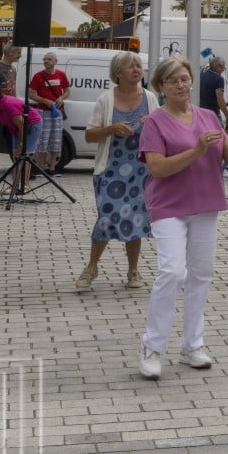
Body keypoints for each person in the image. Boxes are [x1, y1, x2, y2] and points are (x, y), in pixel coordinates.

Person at [136, 56, 228, 379]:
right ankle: (152, 346)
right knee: (171, 271)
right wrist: (195, 151)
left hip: (206, 203)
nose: (181, 85)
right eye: (173, 81)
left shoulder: (208, 116)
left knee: (201, 274)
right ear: (161, 87)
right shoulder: (155, 122)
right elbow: (157, 167)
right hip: (168, 206)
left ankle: (192, 345)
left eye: (184, 78)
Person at [79, 51, 152, 292]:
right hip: (110, 170)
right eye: (130, 66)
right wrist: (111, 128)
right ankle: (91, 267)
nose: (136, 69)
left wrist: (151, 124)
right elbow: (89, 135)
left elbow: (161, 130)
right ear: (118, 72)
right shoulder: (105, 100)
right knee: (107, 218)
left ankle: (133, 271)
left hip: (141, 171)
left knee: (136, 219)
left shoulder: (150, 98)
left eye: (138, 65)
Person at [0, 63, 40, 194]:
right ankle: (16, 184)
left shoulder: (9, 104)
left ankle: (25, 185)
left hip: (31, 125)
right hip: (18, 128)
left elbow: (21, 124)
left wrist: (22, 143)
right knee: (16, 156)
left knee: (24, 154)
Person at [29, 51, 70, 172]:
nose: (46, 61)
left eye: (49, 59)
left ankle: (52, 168)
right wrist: (45, 101)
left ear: (55, 61)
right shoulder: (38, 76)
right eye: (45, 59)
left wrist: (62, 98)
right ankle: (41, 167)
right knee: (42, 140)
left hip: (56, 112)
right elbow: (31, 94)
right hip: (42, 112)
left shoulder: (61, 75)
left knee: (56, 140)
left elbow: (67, 91)